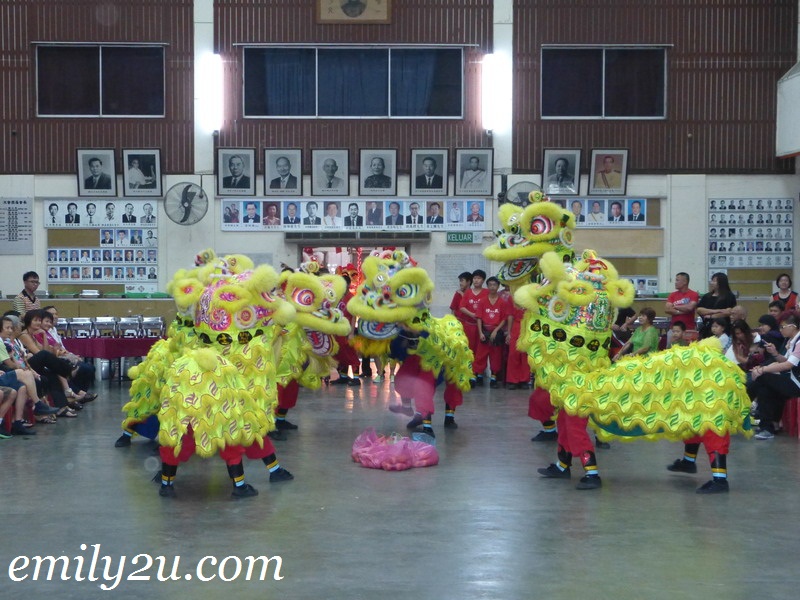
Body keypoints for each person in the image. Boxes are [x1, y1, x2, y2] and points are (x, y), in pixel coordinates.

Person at [748, 314, 800, 440]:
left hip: (797, 383)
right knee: (765, 388)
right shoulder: (791, 341)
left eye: (782, 327)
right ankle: (769, 426)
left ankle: (748, 411)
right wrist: (775, 353)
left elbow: (788, 365)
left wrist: (763, 369)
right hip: (791, 380)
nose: (780, 330)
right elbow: (785, 360)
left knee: (761, 379)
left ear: (793, 327)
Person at [474, 277, 508, 388]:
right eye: (490, 285)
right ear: (487, 286)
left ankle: (494, 376)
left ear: (498, 286)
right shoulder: (482, 301)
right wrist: (480, 333)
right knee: (480, 355)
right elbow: (478, 317)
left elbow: (504, 319)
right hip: (485, 331)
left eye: (494, 285)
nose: (492, 287)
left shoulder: (502, 302)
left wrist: (496, 331)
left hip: (496, 332)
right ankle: (477, 375)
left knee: (496, 356)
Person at [459, 269, 488, 383]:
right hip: (469, 325)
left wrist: (480, 317)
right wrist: (472, 314)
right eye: (475, 278)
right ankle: (470, 372)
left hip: (482, 327)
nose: (476, 280)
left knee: (481, 350)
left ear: (483, 280)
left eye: (479, 278)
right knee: (469, 349)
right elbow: (462, 307)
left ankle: (480, 372)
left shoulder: (486, 292)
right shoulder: (468, 292)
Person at [696, 272, 737, 338]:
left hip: (723, 330)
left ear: (721, 282)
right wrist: (717, 310)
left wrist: (711, 316)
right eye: (712, 280)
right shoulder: (707, 296)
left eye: (714, 281)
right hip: (707, 329)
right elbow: (699, 310)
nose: (712, 283)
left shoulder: (729, 296)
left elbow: (728, 312)